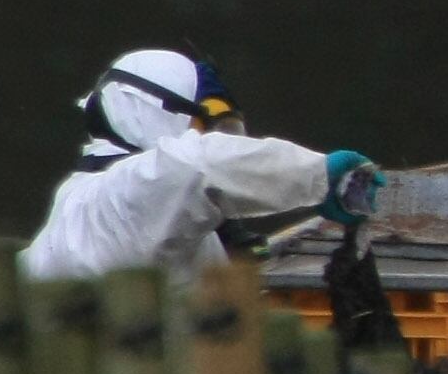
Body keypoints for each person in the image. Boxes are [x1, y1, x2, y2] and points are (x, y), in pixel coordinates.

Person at [24, 48, 383, 281]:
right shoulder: (124, 194)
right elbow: (201, 165)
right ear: (153, 112)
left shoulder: (88, 199)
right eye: (202, 127)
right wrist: (321, 177)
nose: (212, 139)